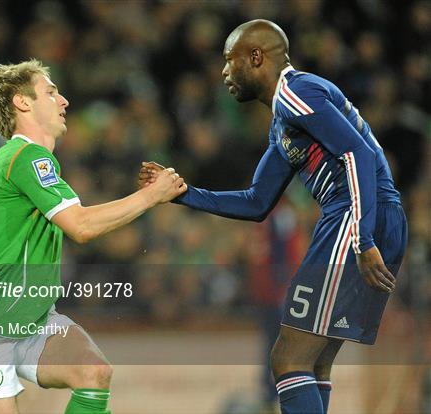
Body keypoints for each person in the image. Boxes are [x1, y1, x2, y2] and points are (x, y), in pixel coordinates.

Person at [139, 19, 407, 414]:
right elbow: (256, 201)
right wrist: (180, 193)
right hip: (371, 217)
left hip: (355, 217)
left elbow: (358, 155)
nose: (224, 73)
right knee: (312, 361)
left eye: (229, 62)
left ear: (256, 57)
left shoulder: (296, 92)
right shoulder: (285, 120)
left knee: (287, 359)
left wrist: (362, 239)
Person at [0, 59, 186, 414]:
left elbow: (83, 222)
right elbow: (81, 226)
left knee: (94, 372)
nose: (64, 100)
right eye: (51, 92)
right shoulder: (23, 156)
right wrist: (151, 196)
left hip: (33, 318)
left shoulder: (35, 161)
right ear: (22, 103)